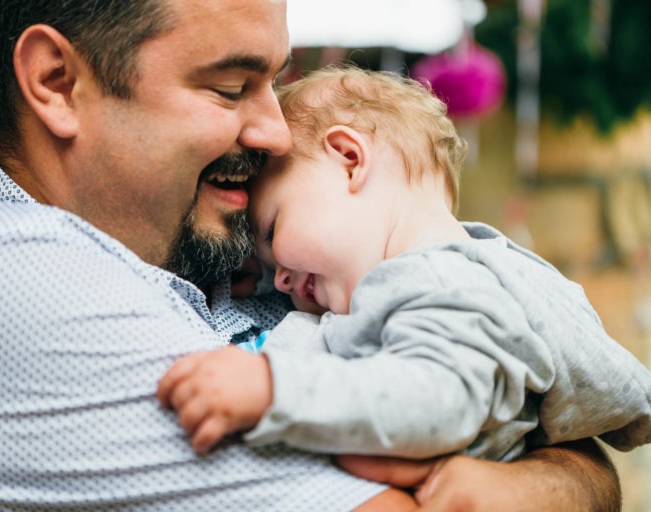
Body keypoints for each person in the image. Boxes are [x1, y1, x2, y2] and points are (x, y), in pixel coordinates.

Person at [0, 1, 621, 510]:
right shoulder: (15, 287)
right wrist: (572, 476)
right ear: (56, 82)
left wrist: (569, 480)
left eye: (275, 82)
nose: (273, 131)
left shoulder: (208, 256)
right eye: (232, 86)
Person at [157, 66, 651, 461]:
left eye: (271, 232)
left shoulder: (442, 284)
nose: (280, 278)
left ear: (350, 159)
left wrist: (274, 391)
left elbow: (439, 401)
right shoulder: (459, 273)